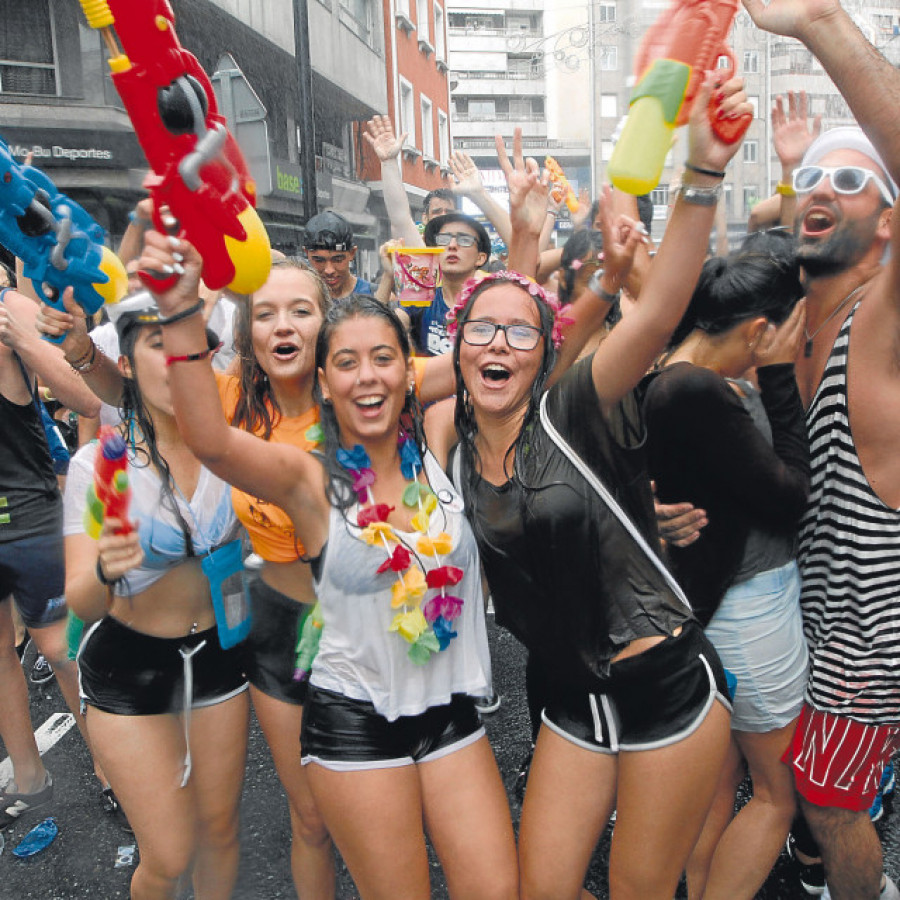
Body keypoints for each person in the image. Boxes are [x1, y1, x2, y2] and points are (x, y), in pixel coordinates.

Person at [425, 75, 752, 899]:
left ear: (546, 351)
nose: (498, 343)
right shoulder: (448, 443)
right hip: (570, 698)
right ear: (457, 351)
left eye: (520, 332)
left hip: (665, 687)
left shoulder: (571, 409)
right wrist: (520, 235)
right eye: (480, 330)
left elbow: (657, 309)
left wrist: (701, 175)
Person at [133, 232, 518, 900]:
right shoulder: (304, 474)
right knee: (352, 857)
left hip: (446, 705)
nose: (368, 376)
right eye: (347, 363)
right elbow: (210, 440)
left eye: (383, 360)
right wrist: (178, 312)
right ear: (325, 380)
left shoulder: (434, 437)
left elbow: (510, 358)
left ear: (410, 371)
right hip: (342, 702)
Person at [61, 293, 250, 900]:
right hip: (129, 668)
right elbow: (82, 603)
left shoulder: (236, 448)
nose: (177, 360)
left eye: (190, 345)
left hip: (222, 656)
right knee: (168, 855)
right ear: (125, 362)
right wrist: (107, 570)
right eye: (156, 345)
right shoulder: (103, 466)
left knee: (220, 833)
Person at [641, 239, 811, 900]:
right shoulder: (698, 390)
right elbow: (791, 494)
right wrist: (774, 378)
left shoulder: (669, 372)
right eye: (789, 335)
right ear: (759, 331)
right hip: (749, 610)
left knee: (714, 791)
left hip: (708, 611)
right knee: (775, 795)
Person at [0, 285, 105, 831]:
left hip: (26, 509)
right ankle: (29, 776)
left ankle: (113, 772)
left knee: (58, 647)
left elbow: (86, 400)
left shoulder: (9, 306)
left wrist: (22, 340)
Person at [406, 212, 491, 356]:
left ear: (480, 258)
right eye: (444, 239)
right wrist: (389, 276)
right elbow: (388, 327)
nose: (452, 245)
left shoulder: (490, 303)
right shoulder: (423, 298)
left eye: (464, 240)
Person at [302, 211, 373, 300]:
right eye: (319, 261)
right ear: (306, 253)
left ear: (352, 253)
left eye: (337, 260)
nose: (329, 271)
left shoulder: (377, 295)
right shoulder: (300, 297)